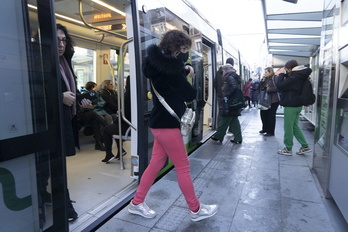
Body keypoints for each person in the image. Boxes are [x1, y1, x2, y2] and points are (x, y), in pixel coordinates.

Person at [128, 30, 218, 222]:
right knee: (183, 167)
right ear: (176, 48)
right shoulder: (172, 69)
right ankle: (196, 210)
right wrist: (187, 73)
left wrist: (182, 70)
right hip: (168, 124)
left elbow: (167, 82)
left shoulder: (155, 64)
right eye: (183, 49)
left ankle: (137, 203)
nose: (183, 53)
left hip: (158, 121)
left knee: (156, 164)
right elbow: (189, 94)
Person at [57, 23, 81, 221]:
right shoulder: (41, 61)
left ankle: (47, 197)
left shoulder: (65, 63)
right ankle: (64, 207)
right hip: (50, 124)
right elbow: (30, 93)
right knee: (54, 166)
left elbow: (72, 91)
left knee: (56, 165)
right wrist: (60, 97)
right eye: (56, 40)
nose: (60, 44)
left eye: (64, 40)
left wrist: (81, 100)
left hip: (64, 120)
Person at [276, 59, 312, 155]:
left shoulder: (295, 77)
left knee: (288, 127)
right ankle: (305, 146)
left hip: (291, 105)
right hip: (297, 105)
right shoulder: (301, 75)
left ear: (289, 68)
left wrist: (281, 74)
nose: (286, 71)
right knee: (295, 126)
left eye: (286, 69)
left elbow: (280, 86)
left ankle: (288, 148)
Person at [101, 76, 131, 163]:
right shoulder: (138, 94)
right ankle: (120, 151)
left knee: (106, 130)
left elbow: (125, 114)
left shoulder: (127, 95)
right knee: (115, 126)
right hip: (132, 124)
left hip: (128, 126)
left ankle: (109, 154)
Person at [211, 64, 243, 144]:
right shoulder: (233, 76)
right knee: (234, 121)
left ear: (226, 70)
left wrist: (226, 96)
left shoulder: (229, 77)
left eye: (223, 70)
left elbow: (234, 87)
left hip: (230, 102)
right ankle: (238, 138)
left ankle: (218, 136)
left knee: (224, 119)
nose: (223, 72)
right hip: (234, 102)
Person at [258, 67, 280, 136]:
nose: (265, 74)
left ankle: (270, 131)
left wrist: (270, 89)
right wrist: (262, 81)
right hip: (265, 100)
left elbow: (279, 87)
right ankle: (264, 128)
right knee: (263, 114)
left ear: (270, 72)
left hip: (274, 100)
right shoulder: (265, 79)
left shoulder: (275, 78)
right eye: (264, 72)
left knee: (271, 116)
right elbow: (259, 88)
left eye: (266, 72)